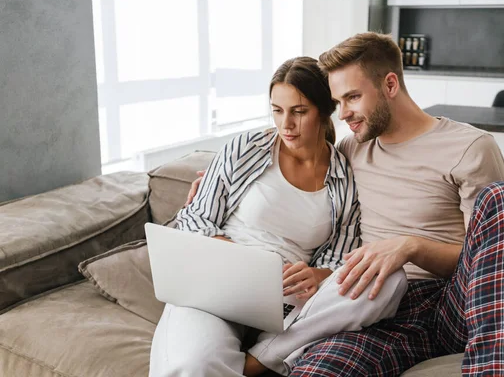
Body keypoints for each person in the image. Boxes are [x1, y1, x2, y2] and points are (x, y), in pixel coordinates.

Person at [187, 33, 504, 376]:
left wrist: (411, 248)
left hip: (451, 303)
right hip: (372, 306)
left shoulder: (470, 147)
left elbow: (489, 257)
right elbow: (297, 173)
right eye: (338, 102)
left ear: (390, 85)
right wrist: (219, 181)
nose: (342, 114)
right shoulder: (350, 150)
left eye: (352, 98)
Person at [149, 56, 408, 377]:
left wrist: (319, 275)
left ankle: (262, 356)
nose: (286, 124)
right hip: (217, 283)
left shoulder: (344, 177)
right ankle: (266, 357)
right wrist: (230, 253)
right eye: (277, 110)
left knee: (387, 282)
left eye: (299, 112)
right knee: (195, 364)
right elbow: (195, 220)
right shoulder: (245, 148)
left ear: (325, 110)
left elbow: (338, 255)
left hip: (285, 300)